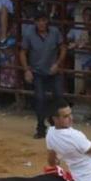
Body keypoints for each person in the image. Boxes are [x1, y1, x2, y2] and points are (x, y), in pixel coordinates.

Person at [21, 10, 66, 139]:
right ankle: (41, 127)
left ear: (47, 21)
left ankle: (57, 125)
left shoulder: (55, 32)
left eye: (43, 20)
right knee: (40, 99)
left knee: (58, 97)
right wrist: (27, 70)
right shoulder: (29, 33)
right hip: (38, 72)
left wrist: (57, 64)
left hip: (53, 71)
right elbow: (23, 52)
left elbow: (63, 48)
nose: (41, 23)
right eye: (39, 21)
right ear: (35, 22)